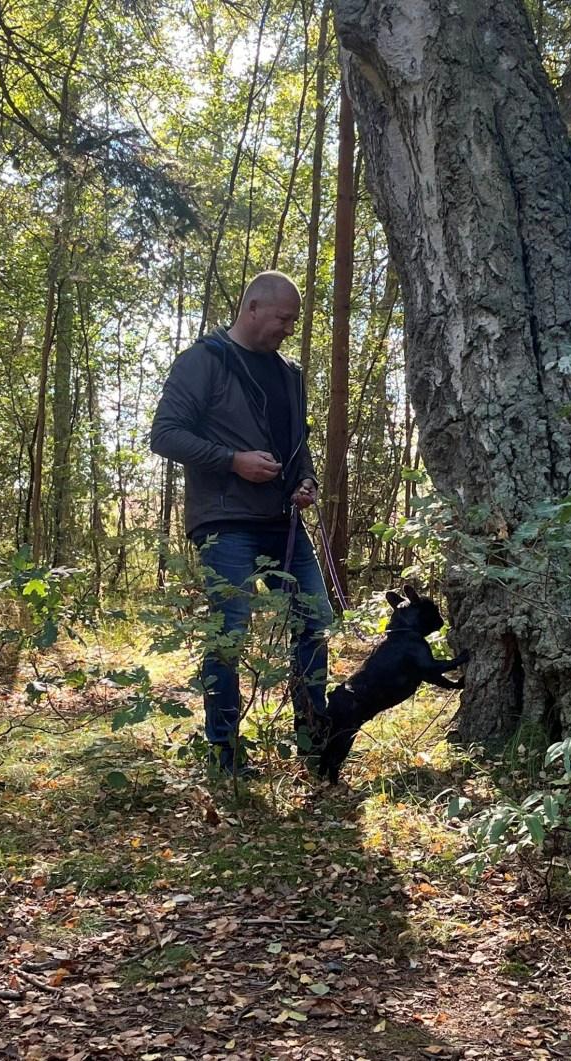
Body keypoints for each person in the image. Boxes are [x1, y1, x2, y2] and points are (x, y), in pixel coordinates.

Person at [150, 271, 332, 774]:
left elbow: (297, 445)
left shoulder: (290, 373)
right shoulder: (204, 361)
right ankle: (225, 755)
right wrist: (234, 461)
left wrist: (306, 480)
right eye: (283, 318)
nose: (289, 329)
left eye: (293, 321)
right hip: (225, 519)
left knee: (315, 620)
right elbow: (164, 434)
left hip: (283, 521)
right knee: (230, 632)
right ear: (252, 308)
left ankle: (313, 741)